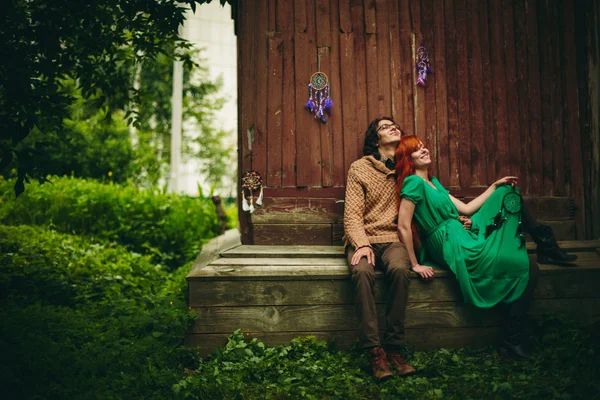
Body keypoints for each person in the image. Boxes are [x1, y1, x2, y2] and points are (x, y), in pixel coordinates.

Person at [394, 134, 578, 359]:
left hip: (460, 234)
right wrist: (414, 264)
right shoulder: (413, 182)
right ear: (407, 158)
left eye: (424, 146)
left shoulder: (434, 183)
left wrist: (493, 185)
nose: (424, 150)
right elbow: (403, 226)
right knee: (527, 266)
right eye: (417, 149)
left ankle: (544, 242)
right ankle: (512, 336)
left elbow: (467, 209)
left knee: (507, 191)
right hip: (450, 243)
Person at [343, 117, 416, 380]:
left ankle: (394, 347)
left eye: (395, 125)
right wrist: (361, 244)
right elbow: (352, 215)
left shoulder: (408, 167)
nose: (393, 127)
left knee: (399, 268)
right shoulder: (359, 169)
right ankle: (375, 351)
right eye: (385, 127)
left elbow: (432, 195)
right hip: (363, 236)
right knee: (362, 272)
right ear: (375, 139)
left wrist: (458, 217)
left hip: (393, 237)